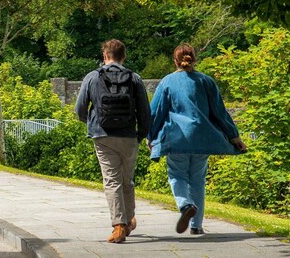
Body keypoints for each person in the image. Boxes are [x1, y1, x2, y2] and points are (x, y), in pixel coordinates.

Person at [148, 43, 246, 235]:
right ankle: (196, 225)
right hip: (202, 138)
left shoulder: (167, 82)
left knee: (177, 175)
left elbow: (156, 112)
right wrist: (234, 137)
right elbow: (220, 112)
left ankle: (185, 205)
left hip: (177, 138)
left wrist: (150, 136)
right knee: (198, 181)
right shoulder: (206, 81)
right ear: (194, 59)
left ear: (175, 61)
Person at [75, 39, 151, 244]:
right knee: (127, 180)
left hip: (102, 136)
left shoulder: (92, 77)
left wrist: (91, 122)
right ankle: (127, 221)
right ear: (123, 56)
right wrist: (141, 134)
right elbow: (145, 110)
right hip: (128, 135)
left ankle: (119, 225)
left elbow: (80, 108)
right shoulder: (134, 78)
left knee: (112, 181)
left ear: (104, 56)